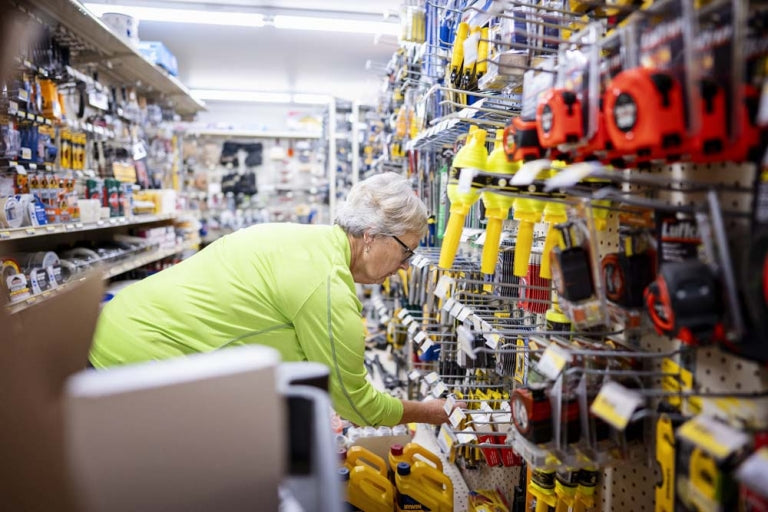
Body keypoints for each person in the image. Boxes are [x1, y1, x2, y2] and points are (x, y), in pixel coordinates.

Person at [90, 172, 453, 426]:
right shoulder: (327, 287)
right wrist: (429, 411)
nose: (405, 267)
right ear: (373, 236)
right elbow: (357, 405)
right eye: (407, 252)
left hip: (111, 331)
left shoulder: (299, 239)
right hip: (134, 365)